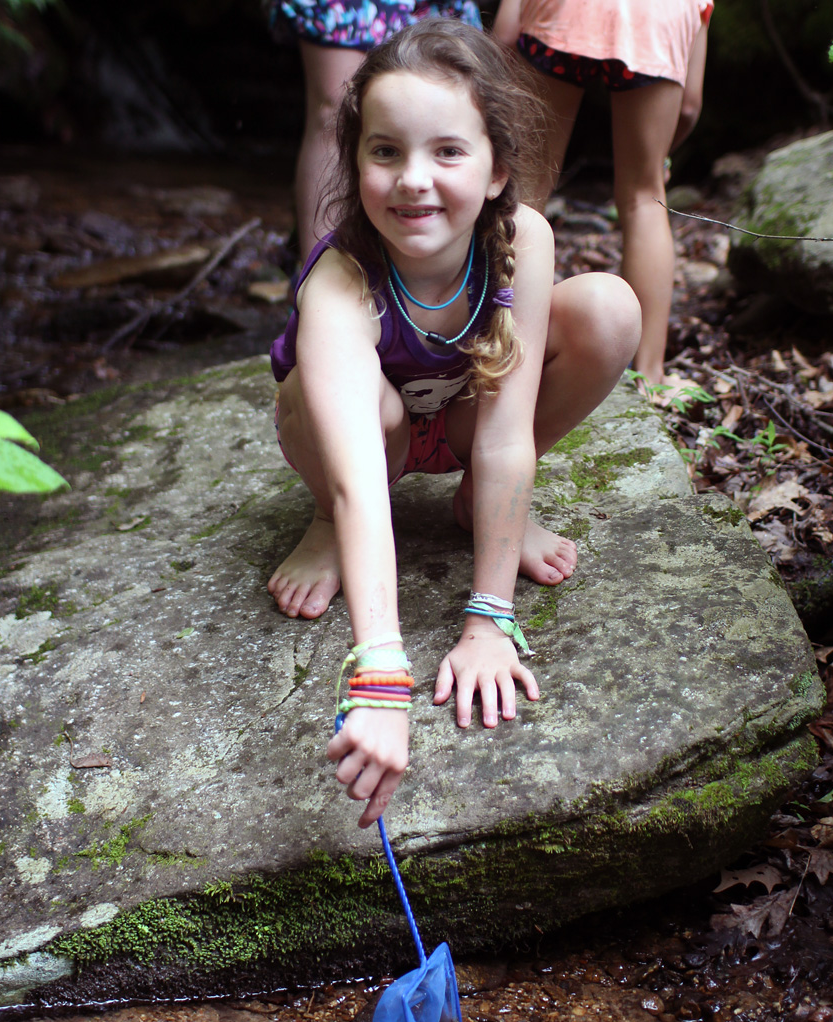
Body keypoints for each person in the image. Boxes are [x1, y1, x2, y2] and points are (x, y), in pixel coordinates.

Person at [267, 19, 641, 828]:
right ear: (355, 160)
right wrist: (380, 675)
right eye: (385, 151)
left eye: (447, 152)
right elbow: (364, 480)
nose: (413, 181)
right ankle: (323, 526)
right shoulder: (339, 283)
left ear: (499, 167)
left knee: (610, 310)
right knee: (339, 401)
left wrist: (488, 616)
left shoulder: (522, 241)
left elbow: (508, 431)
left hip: (471, 422)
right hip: (372, 448)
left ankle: (480, 505)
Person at [494, 0, 712, 389]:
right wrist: (658, 157)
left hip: (562, 14)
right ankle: (650, 376)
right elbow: (691, 104)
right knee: (645, 199)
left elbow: (506, 35)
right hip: (657, 19)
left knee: (526, 192)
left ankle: (498, 344)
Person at [264, 0, 483, 262]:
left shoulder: (531, 233)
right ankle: (324, 266)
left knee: (449, 106)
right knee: (336, 111)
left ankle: (450, 276)